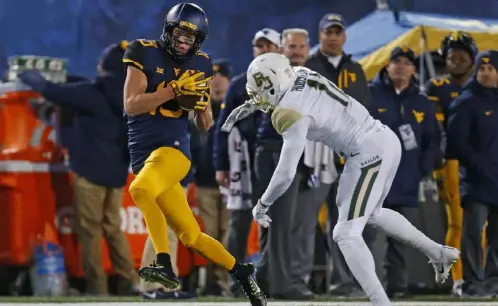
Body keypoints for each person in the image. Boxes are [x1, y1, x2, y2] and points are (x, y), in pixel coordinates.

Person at [221, 52, 459, 306]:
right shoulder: (300, 73)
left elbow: (286, 172)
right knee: (372, 214)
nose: (256, 96)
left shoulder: (288, 114)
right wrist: (249, 106)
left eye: (258, 90)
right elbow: (283, 91)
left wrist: (263, 204)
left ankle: (381, 303)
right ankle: (439, 253)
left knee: (345, 233)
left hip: (367, 152)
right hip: (384, 139)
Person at [121, 3, 266, 305]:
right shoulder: (143, 51)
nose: (185, 41)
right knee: (191, 236)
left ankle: (162, 263)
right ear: (169, 29)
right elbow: (131, 105)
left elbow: (205, 123)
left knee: (140, 189)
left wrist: (200, 105)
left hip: (173, 150)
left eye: (192, 36)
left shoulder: (200, 63)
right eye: (181, 33)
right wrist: (173, 91)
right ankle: (242, 273)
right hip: (144, 154)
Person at [19, 42, 137, 296]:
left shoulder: (91, 93)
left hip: (90, 175)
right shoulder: (131, 97)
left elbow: (53, 92)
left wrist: (34, 79)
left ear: (103, 67)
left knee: (90, 232)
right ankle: (128, 280)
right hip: (116, 175)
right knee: (113, 229)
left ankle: (97, 288)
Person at [369, 46, 441, 297]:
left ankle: (397, 288)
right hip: (373, 179)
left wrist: (423, 168)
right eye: (396, 61)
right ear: (387, 66)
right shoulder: (370, 94)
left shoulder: (421, 100)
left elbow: (433, 138)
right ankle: (369, 287)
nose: (401, 66)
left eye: (407, 63)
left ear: (413, 69)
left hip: (406, 180)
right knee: (370, 238)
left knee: (400, 238)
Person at [425, 31, 478, 297]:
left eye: (462, 55)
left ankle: (481, 276)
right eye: (451, 56)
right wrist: (438, 167)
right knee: (457, 223)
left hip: (484, 163)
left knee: (485, 225)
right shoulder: (437, 87)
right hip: (453, 162)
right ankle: (458, 279)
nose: (456, 60)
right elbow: (435, 131)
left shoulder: (484, 84)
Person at [446, 50, 498, 298]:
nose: (486, 73)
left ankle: (493, 281)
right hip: (477, 181)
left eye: (491, 69)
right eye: (482, 69)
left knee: (496, 237)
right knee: (473, 232)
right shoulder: (465, 102)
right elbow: (456, 142)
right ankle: (473, 282)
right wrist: (480, 166)